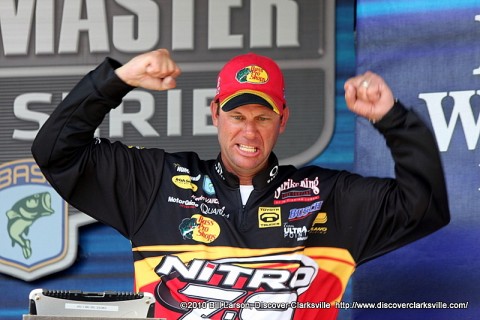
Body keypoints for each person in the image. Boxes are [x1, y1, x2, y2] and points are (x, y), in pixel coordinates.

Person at [31, 49, 450, 320]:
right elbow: (55, 152)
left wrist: (393, 119)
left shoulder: (328, 198)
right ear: (216, 113)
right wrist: (117, 79)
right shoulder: (156, 183)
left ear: (282, 121)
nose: (249, 133)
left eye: (262, 117)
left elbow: (424, 206)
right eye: (237, 115)